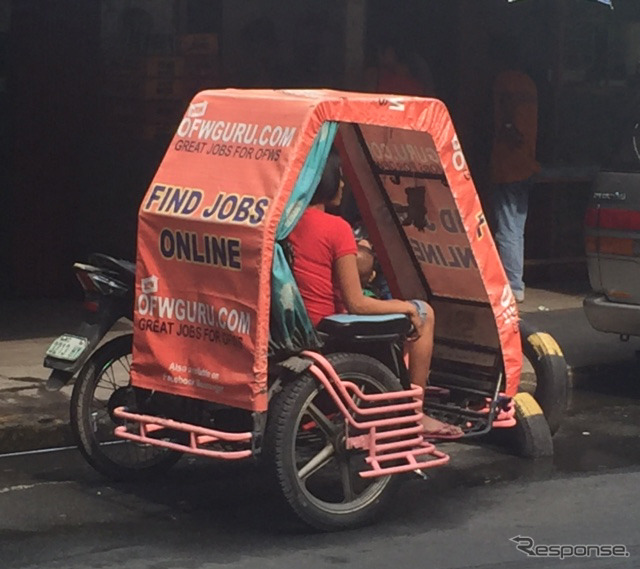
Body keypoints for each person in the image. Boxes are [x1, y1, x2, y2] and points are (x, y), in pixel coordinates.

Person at [288, 148, 463, 439]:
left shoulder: (286, 223)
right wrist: (405, 308)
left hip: (299, 327)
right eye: (340, 178)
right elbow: (357, 303)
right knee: (423, 312)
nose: (343, 186)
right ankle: (415, 413)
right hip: (331, 334)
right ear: (327, 182)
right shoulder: (336, 228)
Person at [488, 36, 540, 303]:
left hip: (507, 164)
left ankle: (512, 283)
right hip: (527, 162)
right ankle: (516, 281)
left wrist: (506, 129)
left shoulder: (503, 81)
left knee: (507, 227)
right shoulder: (529, 84)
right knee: (516, 226)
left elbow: (507, 117)